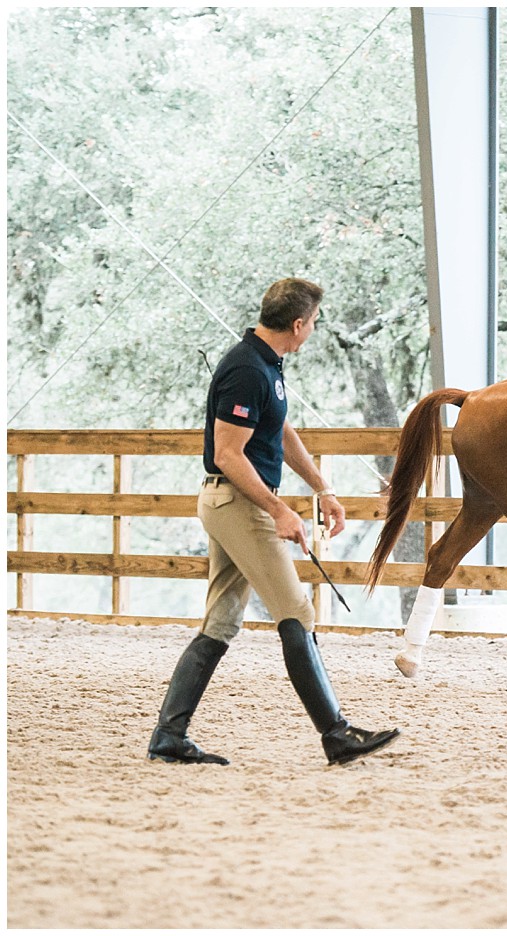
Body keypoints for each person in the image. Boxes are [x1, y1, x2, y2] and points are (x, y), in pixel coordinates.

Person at [147, 277, 399, 767]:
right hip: (238, 505)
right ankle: (336, 734)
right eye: (315, 324)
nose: (314, 331)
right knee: (297, 614)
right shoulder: (246, 370)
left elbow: (280, 431)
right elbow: (227, 454)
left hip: (236, 505)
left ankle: (168, 737)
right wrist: (279, 509)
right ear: (299, 324)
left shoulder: (267, 365)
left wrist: (322, 488)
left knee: (220, 623)